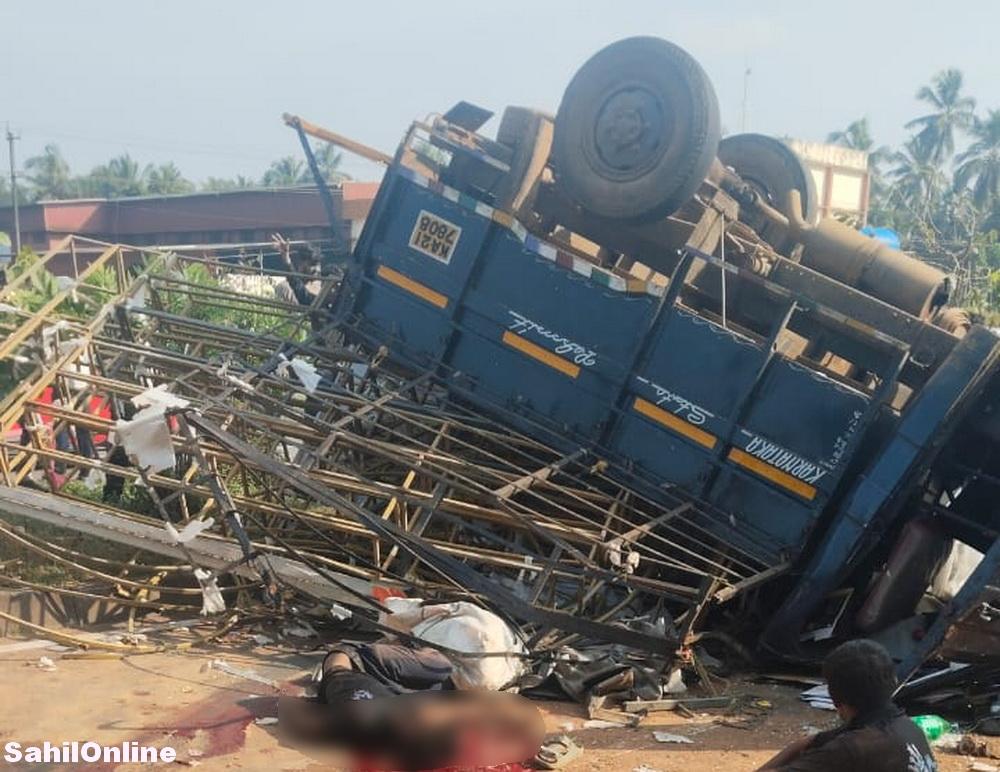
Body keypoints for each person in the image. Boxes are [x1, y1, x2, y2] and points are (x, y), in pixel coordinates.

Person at [279, 639, 543, 770]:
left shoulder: (364, 713)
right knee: (442, 668)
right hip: (362, 666)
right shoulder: (363, 713)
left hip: (365, 674)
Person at [757, 639, 937, 771]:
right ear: (893, 681)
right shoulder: (907, 727)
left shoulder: (854, 748)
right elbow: (809, 743)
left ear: (835, 698)